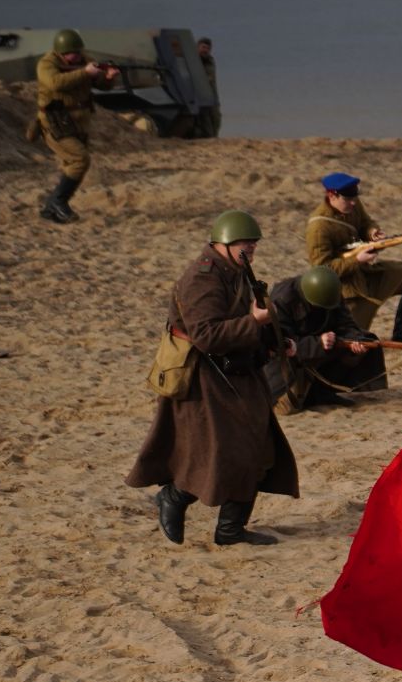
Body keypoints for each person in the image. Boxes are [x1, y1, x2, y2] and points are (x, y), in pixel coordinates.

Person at [124, 210, 299, 547]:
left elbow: (245, 320)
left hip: (237, 370)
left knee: (256, 448)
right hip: (205, 378)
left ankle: (230, 529)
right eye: (247, 244)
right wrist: (255, 322)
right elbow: (206, 335)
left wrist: (276, 343)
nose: (252, 250)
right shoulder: (201, 278)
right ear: (226, 243)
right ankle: (175, 497)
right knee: (215, 453)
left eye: (254, 244)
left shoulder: (237, 271)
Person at [304, 172, 402, 343]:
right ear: (332, 195)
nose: (353, 203)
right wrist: (356, 260)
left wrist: (372, 233)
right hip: (349, 292)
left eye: (354, 198)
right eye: (348, 199)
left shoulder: (352, 204)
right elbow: (322, 271)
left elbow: (366, 223)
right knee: (355, 341)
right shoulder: (318, 228)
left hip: (369, 273)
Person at [263, 264, 384, 414]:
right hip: (286, 361)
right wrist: (317, 343)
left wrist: (355, 341)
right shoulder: (283, 300)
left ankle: (323, 393)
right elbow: (279, 343)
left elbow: (347, 324)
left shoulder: (331, 293)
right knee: (287, 407)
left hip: (319, 351)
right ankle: (307, 393)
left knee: (366, 340)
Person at [30, 28, 119, 224]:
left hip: (78, 124)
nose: (77, 56)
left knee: (73, 164)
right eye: (73, 53)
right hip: (54, 123)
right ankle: (58, 202)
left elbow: (101, 85)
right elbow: (55, 83)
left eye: (79, 52)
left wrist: (109, 77)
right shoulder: (47, 64)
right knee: (80, 160)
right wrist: (85, 72)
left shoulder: (84, 61)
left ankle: (50, 209)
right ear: (61, 52)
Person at [196, 36, 221, 138]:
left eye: (207, 48)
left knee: (216, 118)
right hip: (200, 96)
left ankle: (213, 137)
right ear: (197, 47)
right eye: (203, 47)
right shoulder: (194, 61)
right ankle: (207, 138)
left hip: (212, 95)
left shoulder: (210, 61)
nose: (205, 50)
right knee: (204, 120)